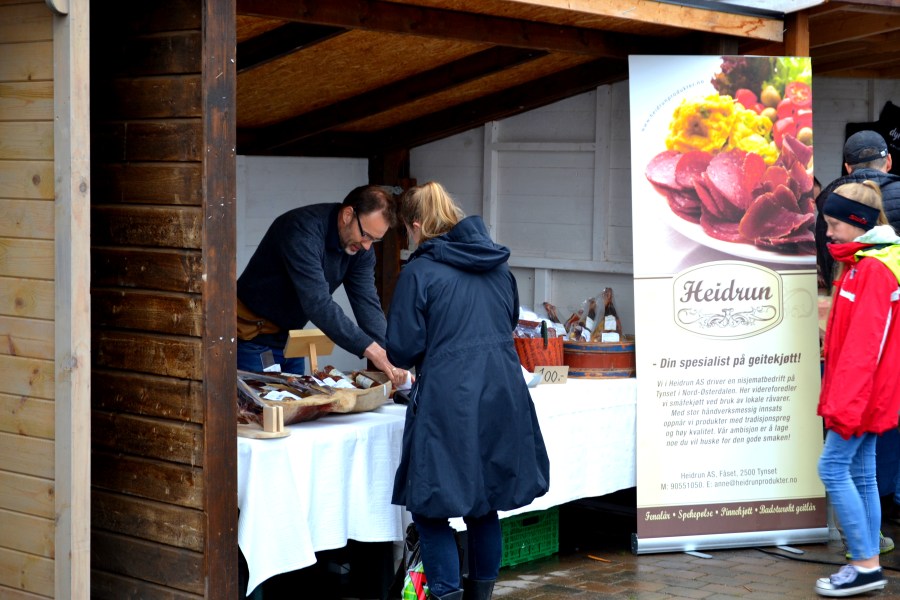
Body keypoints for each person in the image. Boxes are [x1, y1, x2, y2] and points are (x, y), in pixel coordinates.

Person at [385, 182, 550, 600]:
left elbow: (402, 349)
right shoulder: (498, 267)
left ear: (417, 225)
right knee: (483, 503)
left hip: (448, 398)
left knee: (429, 507)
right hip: (502, 392)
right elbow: (507, 322)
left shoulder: (419, 272)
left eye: (406, 232)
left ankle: (445, 594)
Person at [815, 180, 900, 597]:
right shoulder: (861, 263)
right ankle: (868, 561)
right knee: (862, 474)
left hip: (861, 397)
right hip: (862, 395)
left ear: (858, 222)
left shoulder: (874, 270)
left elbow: (868, 347)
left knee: (831, 468)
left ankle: (865, 564)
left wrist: (844, 405)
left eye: (834, 224)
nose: (829, 233)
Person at [236, 184, 408, 387]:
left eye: (375, 240)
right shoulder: (301, 230)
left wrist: (390, 358)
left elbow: (367, 304)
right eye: (366, 235)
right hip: (252, 338)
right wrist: (372, 350)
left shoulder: (361, 250)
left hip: (291, 340)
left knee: (295, 401)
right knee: (260, 402)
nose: (367, 246)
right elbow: (318, 304)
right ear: (347, 215)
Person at [815, 130, 900, 293]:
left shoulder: (829, 201)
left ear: (847, 168)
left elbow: (828, 266)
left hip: (845, 297)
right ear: (888, 161)